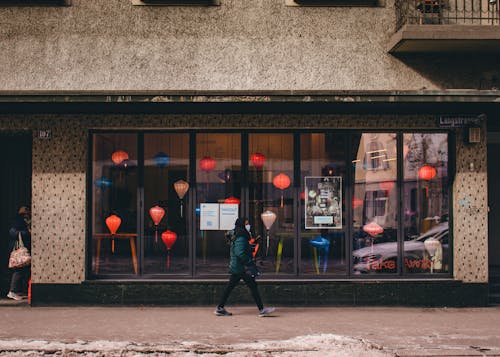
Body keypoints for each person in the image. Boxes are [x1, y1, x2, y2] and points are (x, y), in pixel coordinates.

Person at [214, 217, 275, 317]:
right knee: (252, 286)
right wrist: (249, 262)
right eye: (247, 223)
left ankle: (220, 308)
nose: (248, 226)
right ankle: (261, 309)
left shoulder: (237, 234)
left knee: (232, 287)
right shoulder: (241, 236)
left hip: (238, 266)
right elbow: (240, 252)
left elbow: (240, 250)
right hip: (242, 267)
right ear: (242, 225)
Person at [7, 206, 31, 300]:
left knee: (22, 269)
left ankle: (17, 291)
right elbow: (13, 232)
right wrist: (27, 233)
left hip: (21, 248)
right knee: (19, 270)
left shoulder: (24, 221)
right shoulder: (18, 221)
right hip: (18, 249)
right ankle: (13, 291)